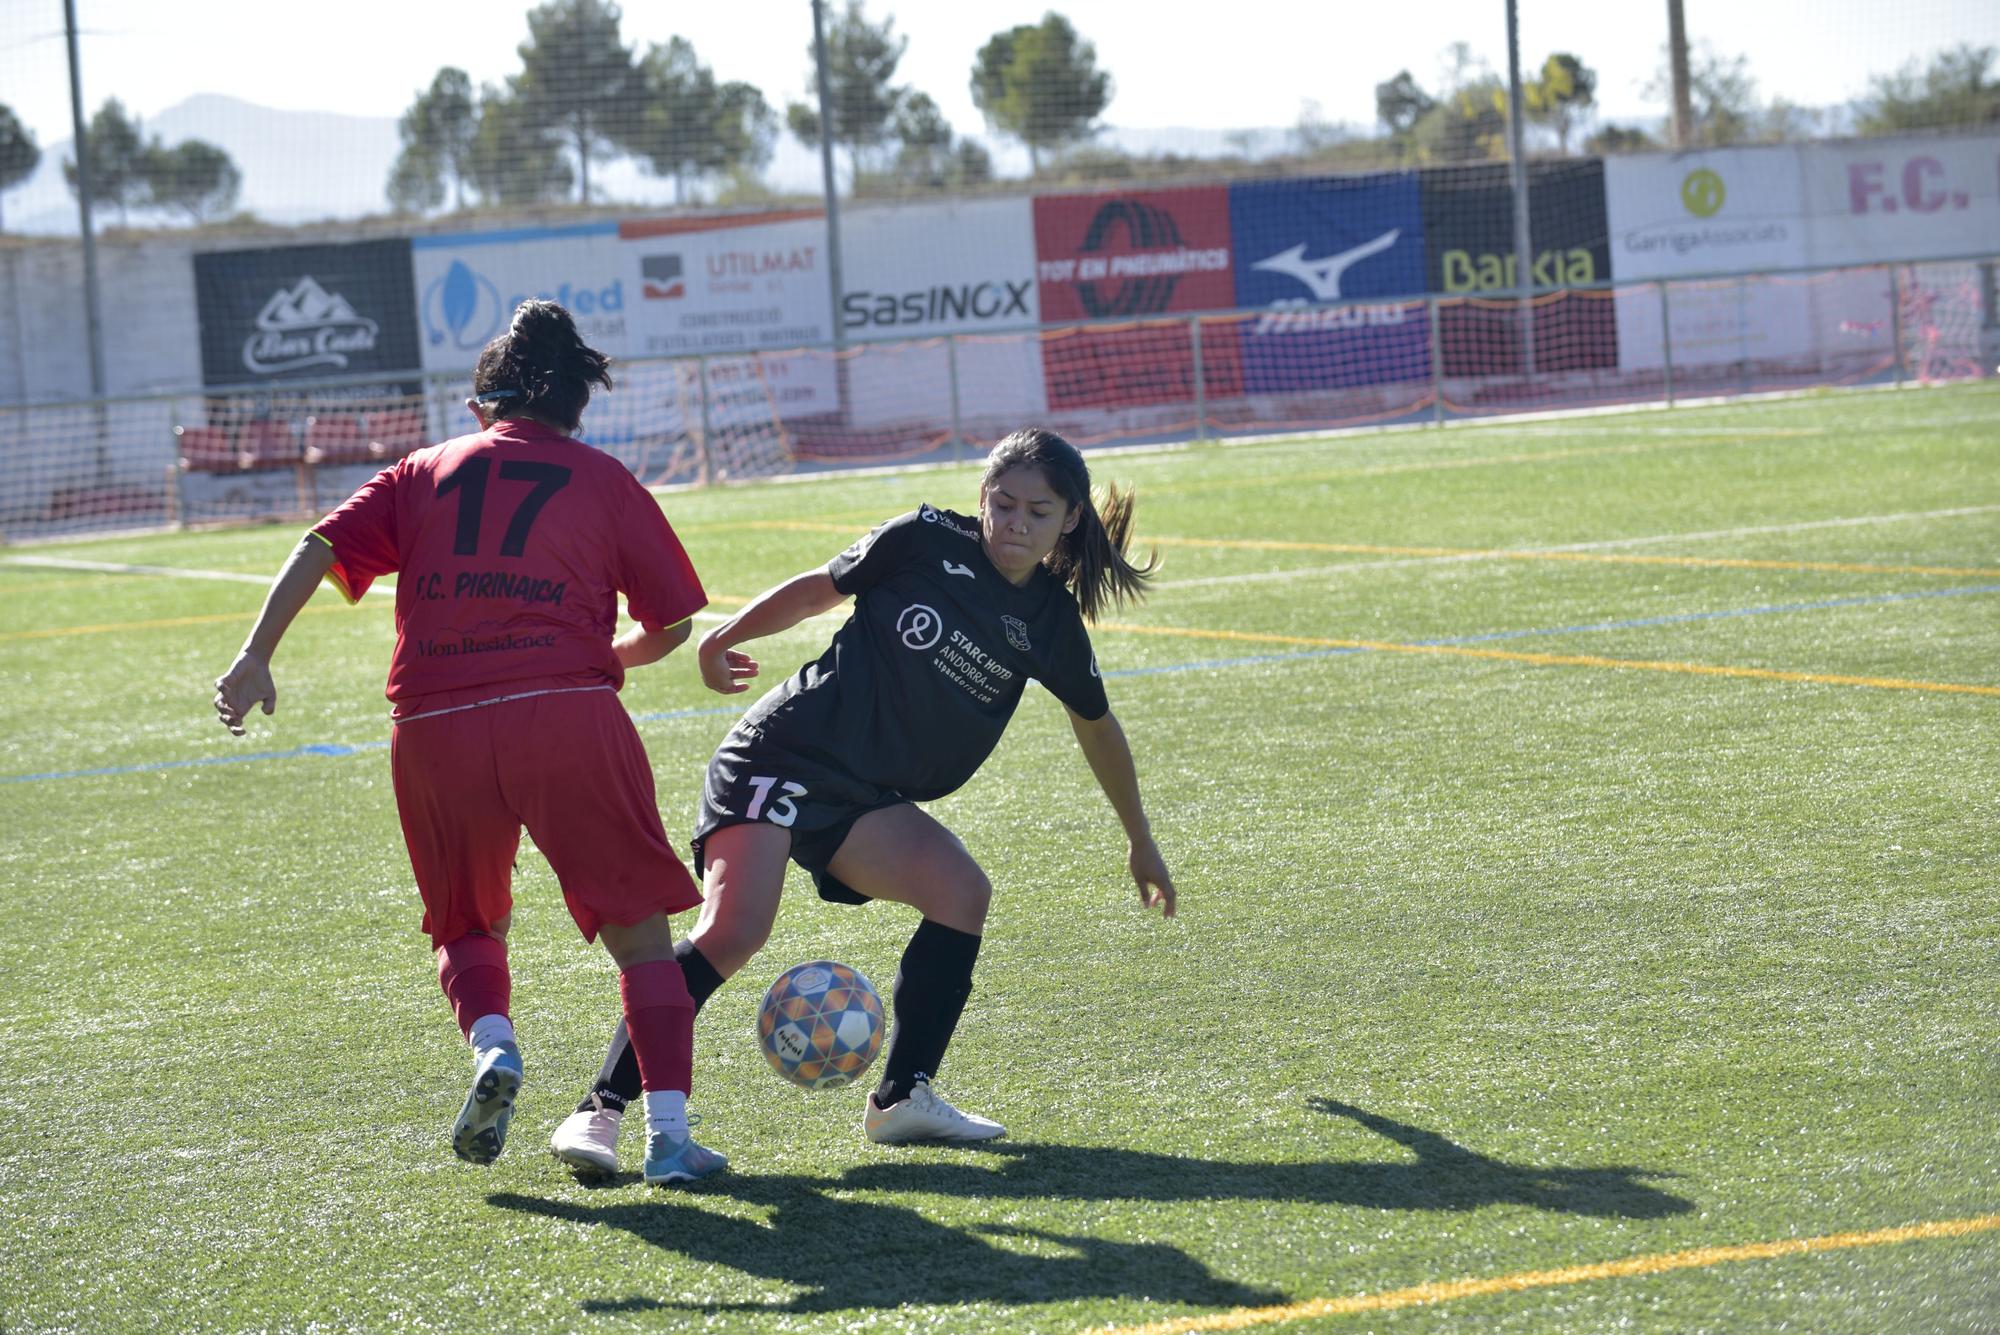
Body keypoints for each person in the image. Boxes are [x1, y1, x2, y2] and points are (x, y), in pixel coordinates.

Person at [550, 426, 1176, 1174]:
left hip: (861, 796)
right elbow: (820, 586)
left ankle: (903, 1096)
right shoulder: (922, 539)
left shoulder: (1049, 621)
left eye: (1037, 512)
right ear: (981, 495)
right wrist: (723, 637)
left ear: (1070, 520)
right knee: (734, 931)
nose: (1014, 523)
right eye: (1002, 503)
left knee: (960, 891)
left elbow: (1097, 727)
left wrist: (1138, 836)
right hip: (781, 756)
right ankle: (600, 1109)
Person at [212, 300, 726, 1186]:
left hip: (434, 725)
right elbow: (675, 622)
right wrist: (611, 658)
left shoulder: (421, 468)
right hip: (563, 712)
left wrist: (255, 655)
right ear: (574, 406)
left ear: (488, 400)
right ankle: (669, 1139)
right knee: (642, 938)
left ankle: (494, 1046)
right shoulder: (602, 478)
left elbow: (316, 545)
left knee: (467, 921)